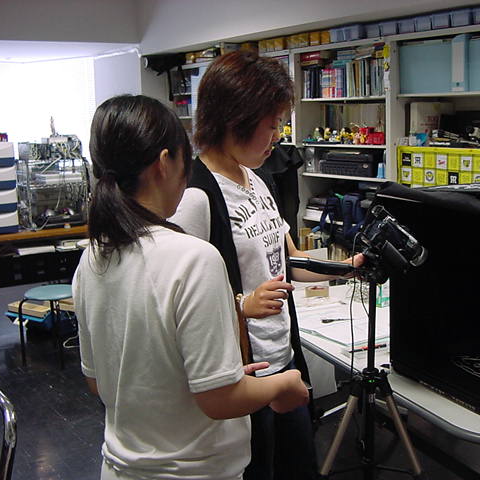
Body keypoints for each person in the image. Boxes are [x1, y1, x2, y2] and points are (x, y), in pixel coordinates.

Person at [73, 94, 309, 480]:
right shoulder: (195, 258)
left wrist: (212, 373)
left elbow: (100, 381)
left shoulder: (94, 257)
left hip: (119, 467)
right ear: (165, 162)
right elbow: (220, 400)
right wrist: (283, 384)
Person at [169, 51, 364, 480]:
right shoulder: (195, 196)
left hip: (283, 360)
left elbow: (289, 263)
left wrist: (348, 267)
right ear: (235, 118)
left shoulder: (257, 179)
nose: (277, 135)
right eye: (272, 124)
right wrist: (242, 304)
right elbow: (178, 304)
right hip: (242, 373)